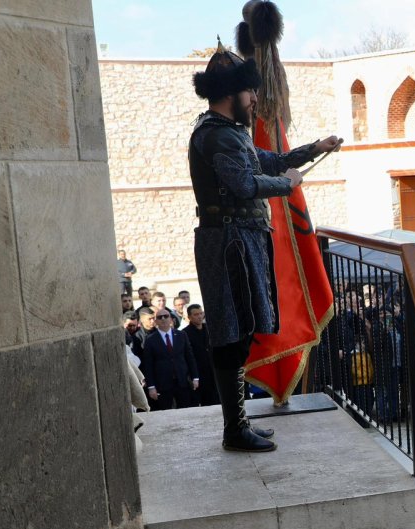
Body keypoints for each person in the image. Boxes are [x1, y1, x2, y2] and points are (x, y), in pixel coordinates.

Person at [189, 41, 339, 451]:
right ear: (229, 94)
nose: (255, 99)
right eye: (249, 92)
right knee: (231, 336)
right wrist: (287, 185)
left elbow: (266, 161)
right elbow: (245, 184)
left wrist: (314, 149)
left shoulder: (228, 134)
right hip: (229, 245)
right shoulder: (216, 136)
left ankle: (237, 424)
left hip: (240, 242)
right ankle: (234, 429)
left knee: (239, 333)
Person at [139, 311, 200, 411]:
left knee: (186, 410)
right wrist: (151, 386)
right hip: (162, 384)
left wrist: (195, 377)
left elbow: (189, 357)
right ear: (156, 321)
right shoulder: (150, 340)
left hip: (182, 380)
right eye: (160, 317)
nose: (163, 319)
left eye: (166, 316)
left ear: (171, 319)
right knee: (166, 411)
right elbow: (148, 365)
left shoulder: (181, 335)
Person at [181, 304, 220, 406]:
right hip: (198, 374)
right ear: (189, 317)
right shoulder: (184, 333)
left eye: (201, 313)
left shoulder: (210, 329)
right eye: (196, 314)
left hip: (213, 371)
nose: (199, 316)